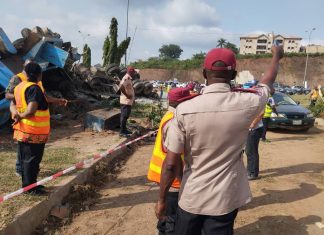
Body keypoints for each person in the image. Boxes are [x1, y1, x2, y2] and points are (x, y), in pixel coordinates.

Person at [155, 45, 284, 235]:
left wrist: (162, 200)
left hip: (192, 197)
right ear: (234, 75)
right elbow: (267, 81)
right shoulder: (248, 102)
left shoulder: (184, 110)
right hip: (224, 199)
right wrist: (276, 57)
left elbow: (170, 165)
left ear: (204, 73)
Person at [148, 87, 198, 235]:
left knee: (167, 217)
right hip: (174, 180)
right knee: (171, 219)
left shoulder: (168, 115)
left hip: (167, 177)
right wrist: (183, 183)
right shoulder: (173, 122)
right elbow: (173, 161)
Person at [5, 59, 67, 176]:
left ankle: (29, 173)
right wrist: (25, 96)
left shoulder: (37, 82)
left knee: (32, 152)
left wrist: (57, 100)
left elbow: (43, 96)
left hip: (34, 123)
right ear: (24, 66)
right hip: (23, 117)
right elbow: (8, 95)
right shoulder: (17, 79)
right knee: (24, 148)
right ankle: (20, 169)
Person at [10, 62, 50, 195]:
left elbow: (12, 104)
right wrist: (21, 115)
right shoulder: (34, 88)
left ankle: (31, 185)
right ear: (39, 74)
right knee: (32, 160)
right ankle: (30, 188)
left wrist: (15, 114)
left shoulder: (19, 87)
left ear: (26, 74)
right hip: (33, 131)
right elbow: (31, 110)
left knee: (26, 159)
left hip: (23, 130)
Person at [245, 110, 264, 180]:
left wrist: (252, 124)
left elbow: (261, 112)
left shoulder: (257, 100)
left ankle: (253, 173)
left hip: (254, 129)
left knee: (252, 151)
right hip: (251, 129)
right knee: (248, 151)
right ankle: (250, 169)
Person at [119, 66, 136, 137]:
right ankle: (122, 131)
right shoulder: (126, 78)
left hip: (128, 101)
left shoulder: (129, 78)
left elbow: (129, 89)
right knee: (124, 116)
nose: (134, 73)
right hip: (125, 101)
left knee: (126, 116)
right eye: (134, 72)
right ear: (131, 72)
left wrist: (132, 99)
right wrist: (127, 96)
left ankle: (124, 130)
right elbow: (121, 87)